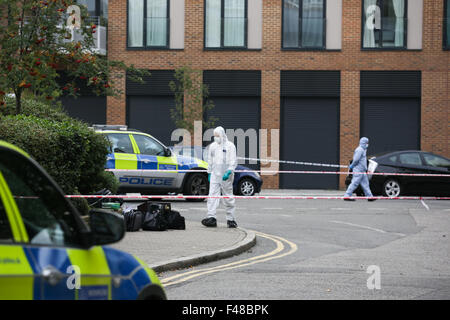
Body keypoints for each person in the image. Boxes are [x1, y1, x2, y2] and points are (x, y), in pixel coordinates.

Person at [202, 126, 238, 228]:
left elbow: (233, 160)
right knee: (212, 196)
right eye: (214, 136)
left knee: (228, 197)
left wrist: (229, 171)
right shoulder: (212, 146)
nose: (216, 137)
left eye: (217, 135)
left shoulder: (230, 146)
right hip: (214, 174)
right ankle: (211, 217)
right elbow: (210, 160)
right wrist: (209, 172)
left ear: (222, 135)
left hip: (226, 175)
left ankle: (231, 219)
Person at [344, 137, 376, 201]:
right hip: (358, 170)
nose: (367, 144)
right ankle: (347, 196)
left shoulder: (362, 150)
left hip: (362, 171)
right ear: (363, 143)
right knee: (354, 183)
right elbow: (356, 160)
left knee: (366, 185)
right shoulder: (359, 150)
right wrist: (352, 166)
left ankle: (370, 197)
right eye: (367, 143)